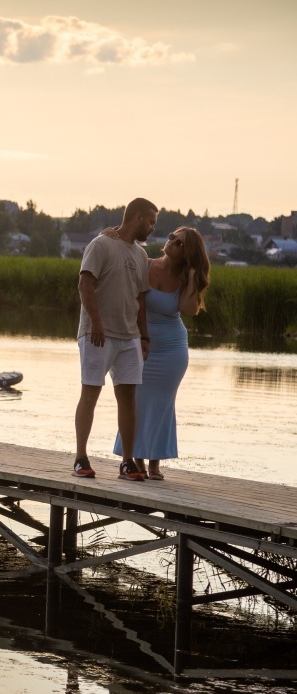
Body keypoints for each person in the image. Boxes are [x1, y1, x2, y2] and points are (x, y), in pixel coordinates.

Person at [110, 227, 210, 479]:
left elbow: (188, 311)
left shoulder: (186, 277)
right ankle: (136, 459)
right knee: (136, 400)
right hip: (139, 343)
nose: (171, 242)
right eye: (171, 237)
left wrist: (192, 276)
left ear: (187, 252)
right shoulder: (145, 262)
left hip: (171, 349)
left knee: (162, 404)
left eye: (179, 243)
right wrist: (110, 233)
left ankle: (154, 463)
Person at [73, 197, 158, 482]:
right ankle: (80, 457)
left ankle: (127, 462)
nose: (152, 228)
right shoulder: (101, 245)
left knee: (128, 398)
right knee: (91, 392)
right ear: (136, 217)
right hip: (98, 334)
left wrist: (144, 336)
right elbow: (85, 284)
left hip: (129, 337)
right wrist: (96, 323)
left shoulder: (140, 255)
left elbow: (140, 299)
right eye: (150, 222)